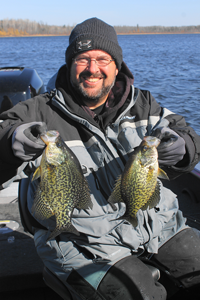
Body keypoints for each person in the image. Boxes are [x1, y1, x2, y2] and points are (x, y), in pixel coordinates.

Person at [0, 18, 200, 300]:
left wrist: (183, 147)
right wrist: (10, 143)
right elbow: (4, 130)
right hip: (82, 244)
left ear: (116, 66)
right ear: (70, 64)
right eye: (82, 59)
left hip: (160, 226)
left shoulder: (144, 103)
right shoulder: (37, 111)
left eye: (102, 59)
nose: (92, 69)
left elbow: (184, 132)